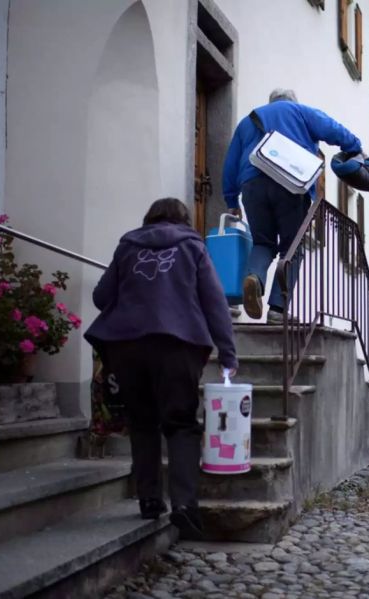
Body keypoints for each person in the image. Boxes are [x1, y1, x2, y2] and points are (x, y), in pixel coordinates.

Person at [84, 198, 237, 539]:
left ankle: (149, 500)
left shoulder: (128, 245)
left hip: (127, 346)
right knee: (181, 424)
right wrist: (228, 353)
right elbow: (214, 301)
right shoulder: (193, 247)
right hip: (177, 345)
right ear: (183, 220)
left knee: (143, 423)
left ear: (149, 218)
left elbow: (100, 297)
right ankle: (184, 505)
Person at [222, 88, 364, 321]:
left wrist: (231, 200)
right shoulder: (301, 112)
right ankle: (277, 309)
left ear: (270, 102)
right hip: (290, 185)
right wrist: (355, 148)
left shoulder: (247, 122)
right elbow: (333, 129)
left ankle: (255, 277)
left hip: (252, 185)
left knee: (262, 242)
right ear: (292, 101)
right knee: (292, 248)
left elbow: (230, 163)